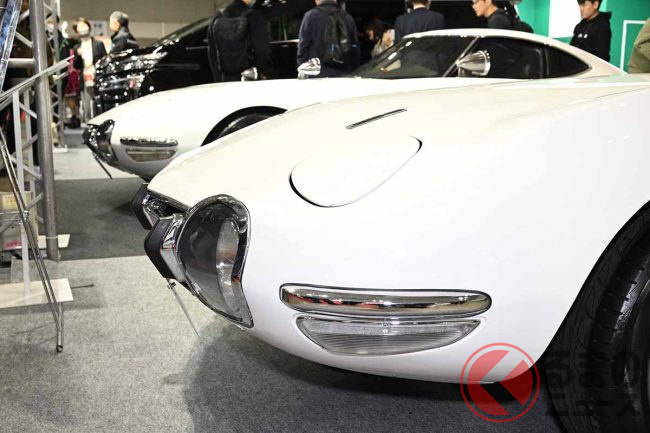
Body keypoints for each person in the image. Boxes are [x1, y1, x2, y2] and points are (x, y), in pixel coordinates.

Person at [207, 0, 273, 82]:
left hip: (225, 79)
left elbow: (212, 53)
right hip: (249, 77)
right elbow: (261, 49)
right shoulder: (254, 16)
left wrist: (218, 78)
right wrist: (266, 72)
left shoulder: (217, 17)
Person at [297, 0, 360, 78]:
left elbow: (303, 47)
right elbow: (355, 48)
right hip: (344, 73)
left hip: (317, 74)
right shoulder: (347, 17)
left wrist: (302, 69)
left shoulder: (311, 16)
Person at [73, 18, 107, 122]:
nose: (83, 28)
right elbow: (76, 66)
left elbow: (105, 60)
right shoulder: (77, 47)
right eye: (80, 27)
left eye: (84, 25)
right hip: (85, 78)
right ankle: (89, 124)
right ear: (77, 30)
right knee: (87, 107)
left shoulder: (98, 44)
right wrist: (78, 55)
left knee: (98, 103)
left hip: (97, 77)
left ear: (89, 27)